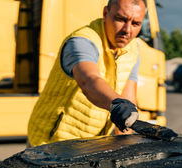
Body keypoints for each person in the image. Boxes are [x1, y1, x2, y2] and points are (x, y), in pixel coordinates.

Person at [27, 0, 146, 147]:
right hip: (50, 142)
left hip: (91, 145)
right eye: (121, 19)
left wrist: (126, 147)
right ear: (105, 13)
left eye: (136, 24)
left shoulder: (133, 49)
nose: (127, 30)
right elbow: (89, 80)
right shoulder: (82, 41)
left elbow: (128, 99)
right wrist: (118, 104)